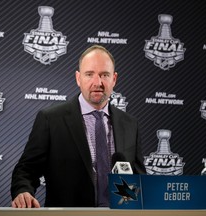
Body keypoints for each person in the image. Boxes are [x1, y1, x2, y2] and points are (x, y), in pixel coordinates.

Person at [11, 45, 145, 208]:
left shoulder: (130, 124)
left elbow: (140, 179)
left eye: (105, 75)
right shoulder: (51, 120)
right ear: (78, 78)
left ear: (114, 79)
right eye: (90, 74)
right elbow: (26, 170)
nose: (98, 82)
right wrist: (23, 191)